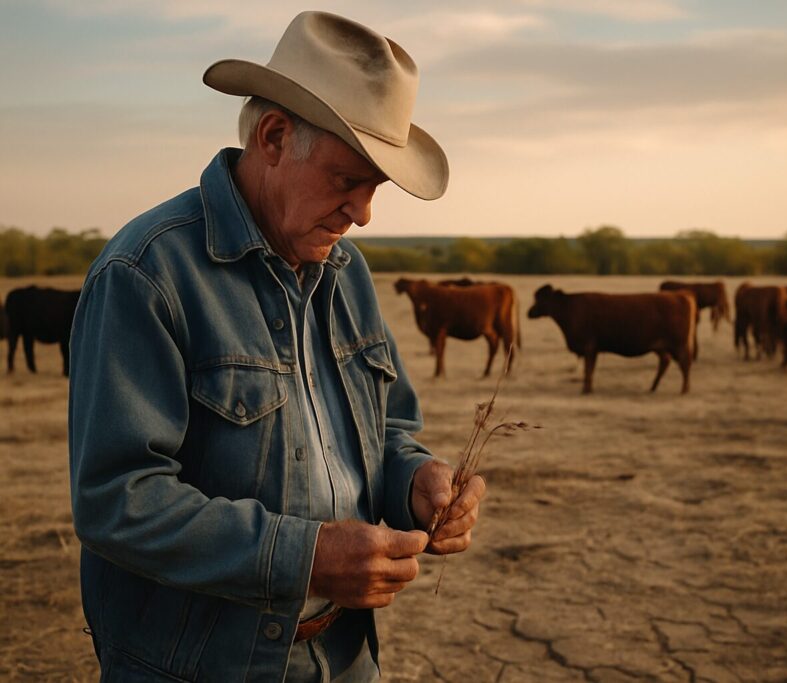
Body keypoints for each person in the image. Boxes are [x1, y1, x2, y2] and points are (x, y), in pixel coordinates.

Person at [68, 11, 485, 682]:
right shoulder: (146, 274)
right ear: (273, 135)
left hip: (346, 654)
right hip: (200, 665)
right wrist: (306, 556)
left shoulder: (348, 277)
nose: (364, 213)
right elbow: (117, 498)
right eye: (348, 179)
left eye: (375, 188)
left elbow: (389, 434)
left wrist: (417, 484)